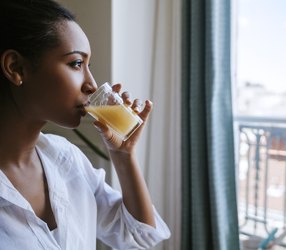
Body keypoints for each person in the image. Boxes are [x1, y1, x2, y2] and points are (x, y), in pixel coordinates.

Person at [0, 0, 170, 249]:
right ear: (16, 68)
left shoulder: (66, 159)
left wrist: (123, 156)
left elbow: (139, 237)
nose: (91, 84)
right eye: (76, 64)